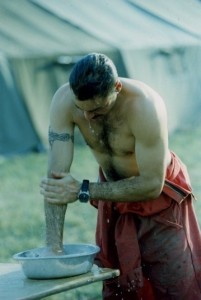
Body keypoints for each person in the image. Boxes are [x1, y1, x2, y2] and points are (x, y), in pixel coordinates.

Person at [40, 53, 201, 300]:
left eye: (97, 110)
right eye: (82, 109)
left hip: (158, 199)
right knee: (120, 286)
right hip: (113, 196)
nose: (88, 118)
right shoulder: (63, 101)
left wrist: (84, 190)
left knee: (176, 288)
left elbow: (151, 184)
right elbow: (56, 180)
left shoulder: (145, 105)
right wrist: (53, 248)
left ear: (117, 87)